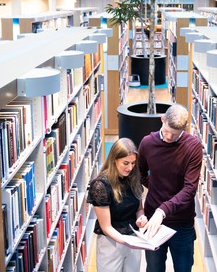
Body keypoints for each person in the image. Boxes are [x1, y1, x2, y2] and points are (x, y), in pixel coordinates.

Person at [139, 104, 204, 272]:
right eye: (166, 131)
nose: (168, 137)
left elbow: (189, 189)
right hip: (153, 220)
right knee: (153, 269)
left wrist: (163, 210)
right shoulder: (147, 143)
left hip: (181, 222)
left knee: (183, 268)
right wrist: (154, 187)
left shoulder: (193, 147)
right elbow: (139, 174)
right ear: (162, 119)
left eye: (174, 134)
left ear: (184, 129)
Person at [87, 138, 148, 271]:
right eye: (125, 163)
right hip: (111, 243)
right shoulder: (100, 185)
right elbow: (106, 227)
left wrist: (141, 218)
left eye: (133, 163)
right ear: (114, 160)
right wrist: (126, 241)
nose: (130, 168)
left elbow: (139, 208)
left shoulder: (133, 178)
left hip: (133, 239)